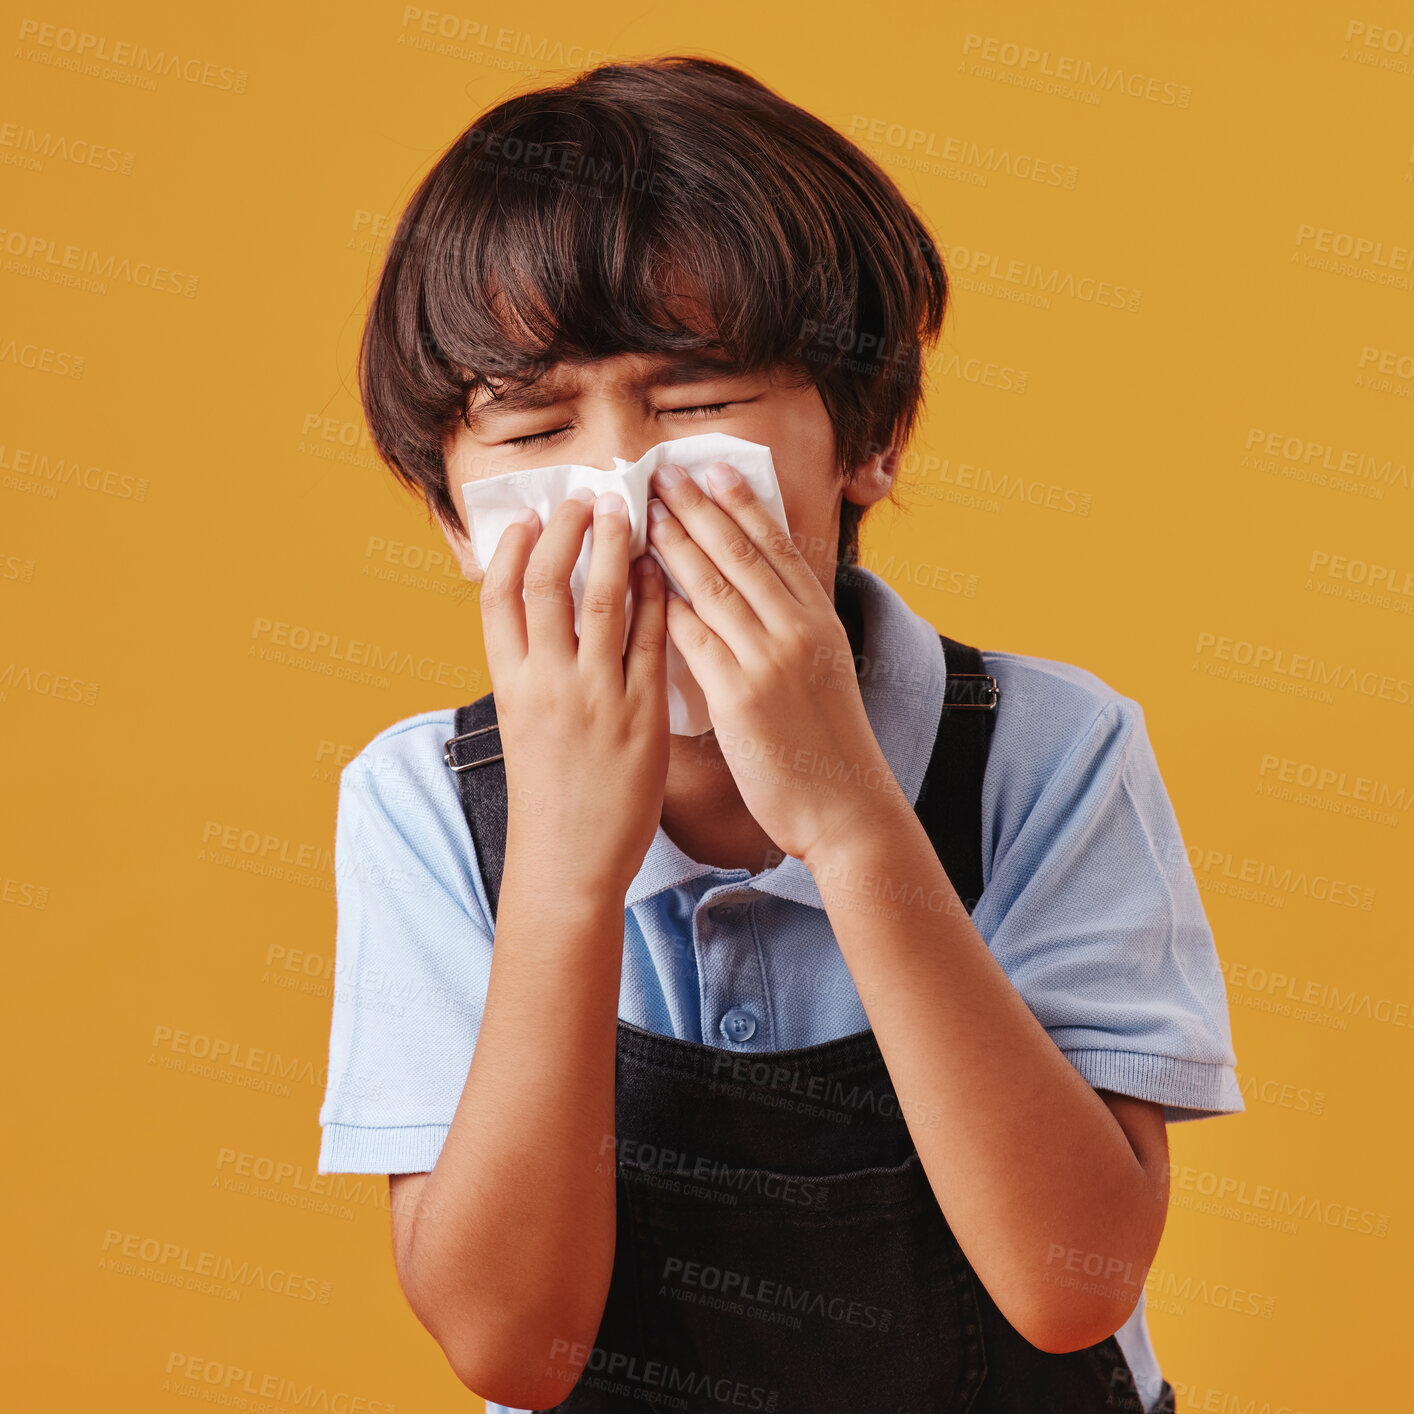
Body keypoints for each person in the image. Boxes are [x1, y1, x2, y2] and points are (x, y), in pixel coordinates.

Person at [318, 55, 1242, 1414]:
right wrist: (566, 866)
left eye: (694, 405)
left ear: (867, 436)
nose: (622, 491)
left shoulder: (1051, 750)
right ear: (456, 517)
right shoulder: (425, 800)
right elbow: (510, 1346)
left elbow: (1072, 1282)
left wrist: (848, 814)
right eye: (531, 422)